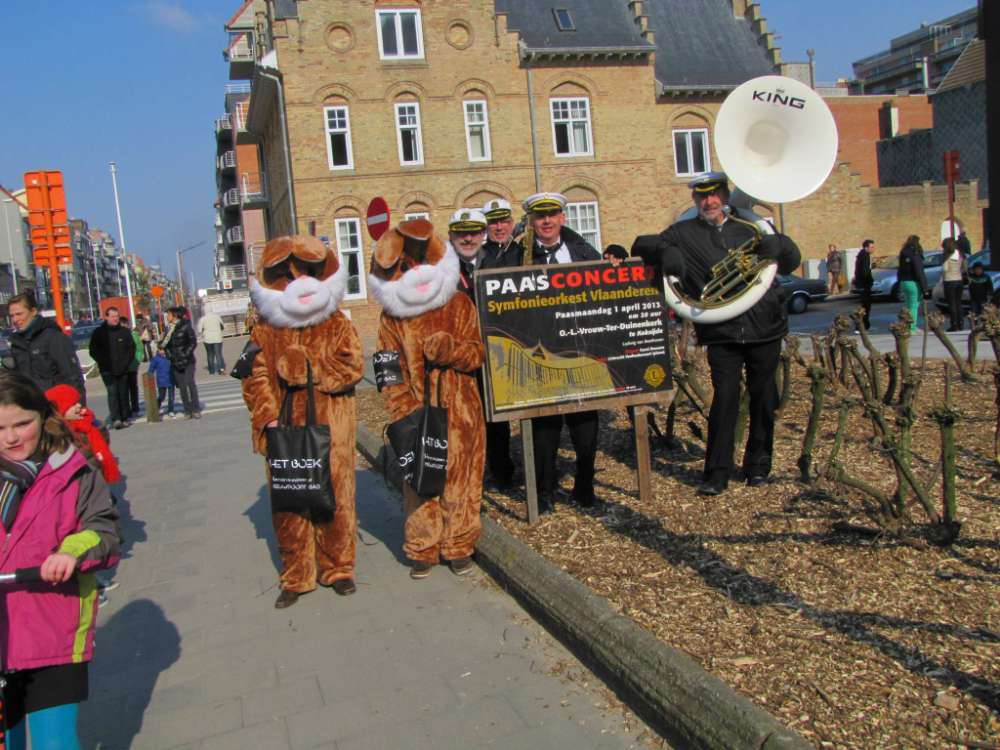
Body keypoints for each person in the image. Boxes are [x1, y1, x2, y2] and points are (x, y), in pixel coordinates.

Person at [633, 172, 801, 496]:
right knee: (724, 400)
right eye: (702, 196)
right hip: (722, 331)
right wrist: (665, 251)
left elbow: (792, 262)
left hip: (765, 326)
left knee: (765, 398)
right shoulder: (682, 231)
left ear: (724, 194)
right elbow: (641, 243)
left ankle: (758, 466)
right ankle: (716, 473)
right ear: (695, 199)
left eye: (715, 194)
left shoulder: (752, 227)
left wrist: (783, 245)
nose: (709, 201)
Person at [0, 371, 121, 750]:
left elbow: (105, 533)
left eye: (23, 423)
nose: (12, 437)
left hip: (54, 628)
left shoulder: (75, 471)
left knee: (55, 743)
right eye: (1, 427)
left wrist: (71, 552)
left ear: (44, 417)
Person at [242, 235, 364, 607]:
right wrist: (268, 420)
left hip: (332, 429)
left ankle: (338, 567)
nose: (297, 284)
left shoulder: (336, 322)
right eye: (287, 277)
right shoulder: (264, 327)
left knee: (336, 499)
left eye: (306, 274)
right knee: (289, 503)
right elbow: (253, 377)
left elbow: (353, 366)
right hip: (284, 428)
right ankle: (296, 576)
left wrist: (311, 370)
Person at [522, 192, 603, 512]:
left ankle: (585, 486)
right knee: (544, 428)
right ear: (532, 221)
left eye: (552, 215)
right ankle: (544, 494)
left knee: (585, 425)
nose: (546, 221)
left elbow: (608, 283)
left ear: (562, 219)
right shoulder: (520, 256)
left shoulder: (582, 251)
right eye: (540, 216)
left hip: (579, 349)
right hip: (538, 354)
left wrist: (614, 255)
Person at [448, 208, 517, 491]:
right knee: (461, 422)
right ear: (450, 236)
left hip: (492, 357)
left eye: (474, 232)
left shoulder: (498, 262)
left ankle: (502, 474)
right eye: (462, 233)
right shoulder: (439, 269)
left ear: (483, 233)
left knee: (496, 421)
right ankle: (465, 479)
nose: (468, 238)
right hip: (457, 359)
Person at [7, 290, 86, 401]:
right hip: (33, 407)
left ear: (33, 311)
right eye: (12, 316)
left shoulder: (55, 338)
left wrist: (79, 408)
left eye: (19, 314)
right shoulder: (16, 343)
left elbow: (73, 377)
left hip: (58, 405)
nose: (15, 320)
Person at [88, 307, 136, 430]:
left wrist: (126, 362)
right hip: (107, 370)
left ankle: (125, 417)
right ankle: (116, 419)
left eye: (117, 316)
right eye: (112, 316)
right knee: (113, 393)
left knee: (123, 393)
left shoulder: (124, 332)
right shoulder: (99, 333)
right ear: (107, 317)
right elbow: (93, 351)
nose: (115, 319)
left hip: (123, 368)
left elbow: (131, 348)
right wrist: (104, 362)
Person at [161, 307, 201, 419]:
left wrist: (185, 354)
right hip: (175, 362)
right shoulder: (168, 329)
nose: (167, 317)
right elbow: (165, 345)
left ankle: (195, 409)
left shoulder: (185, 326)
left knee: (190, 383)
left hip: (188, 360)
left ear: (174, 315)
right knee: (182, 387)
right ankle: (187, 411)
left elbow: (192, 342)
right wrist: (170, 356)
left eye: (168, 315)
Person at [481, 198, 525, 268]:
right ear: (485, 227)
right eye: (493, 222)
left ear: (512, 223)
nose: (499, 228)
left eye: (504, 222)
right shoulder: (477, 257)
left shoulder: (523, 253)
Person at [897, 235, 927, 333]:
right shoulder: (915, 255)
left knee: (908, 305)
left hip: (903, 282)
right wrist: (924, 288)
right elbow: (919, 272)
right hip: (913, 283)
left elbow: (900, 269)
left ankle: (907, 326)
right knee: (914, 306)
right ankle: (912, 328)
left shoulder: (903, 254)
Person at [941, 237, 968, 332]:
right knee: (958, 303)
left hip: (949, 280)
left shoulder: (946, 256)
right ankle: (961, 324)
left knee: (951, 304)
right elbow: (965, 267)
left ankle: (954, 325)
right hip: (959, 280)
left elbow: (945, 269)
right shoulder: (961, 254)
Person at [147, 345, 177, 418]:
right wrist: (149, 377)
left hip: (171, 379)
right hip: (161, 380)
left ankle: (171, 410)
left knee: (171, 397)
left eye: (164, 350)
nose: (163, 351)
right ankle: (156, 407)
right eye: (161, 350)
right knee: (162, 396)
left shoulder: (170, 356)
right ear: (159, 350)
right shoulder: (156, 359)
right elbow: (151, 369)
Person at [854, 239, 875, 331]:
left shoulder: (861, 256)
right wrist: (869, 282)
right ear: (866, 248)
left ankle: (866, 326)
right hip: (864, 284)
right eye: (872, 247)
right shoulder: (865, 257)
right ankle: (861, 327)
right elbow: (865, 272)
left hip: (861, 283)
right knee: (866, 306)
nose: (873, 249)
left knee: (865, 305)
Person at [124, 319, 143, 421]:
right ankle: (126, 409)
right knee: (124, 389)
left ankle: (135, 407)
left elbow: (139, 350)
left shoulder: (134, 335)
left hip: (132, 366)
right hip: (123, 367)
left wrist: (137, 362)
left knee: (133, 388)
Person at [197, 309, 226, 375]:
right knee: (218, 354)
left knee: (210, 354)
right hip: (217, 338)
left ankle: (211, 370)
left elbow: (199, 330)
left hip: (207, 339)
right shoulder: (217, 317)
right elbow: (222, 326)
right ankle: (221, 368)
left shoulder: (202, 319)